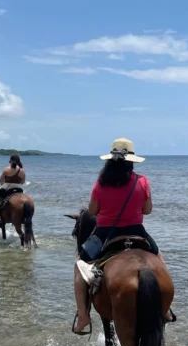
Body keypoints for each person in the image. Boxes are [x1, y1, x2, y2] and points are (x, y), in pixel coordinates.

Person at [72, 138, 168, 335]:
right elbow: (147, 210)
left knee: (80, 266)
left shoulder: (100, 183)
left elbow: (93, 210)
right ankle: (165, 309)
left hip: (105, 233)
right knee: (159, 259)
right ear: (131, 161)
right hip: (137, 231)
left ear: (110, 161)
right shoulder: (142, 181)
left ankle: (83, 316)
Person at [0, 154, 26, 228]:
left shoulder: (6, 169)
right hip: (18, 188)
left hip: (7, 186)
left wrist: (3, 184)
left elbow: (1, 180)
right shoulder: (22, 170)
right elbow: (23, 182)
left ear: (11, 160)